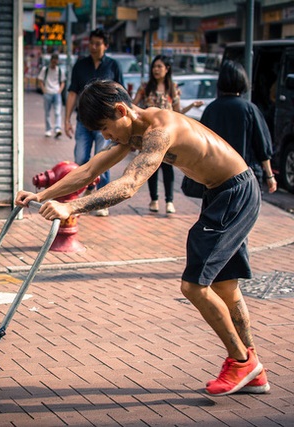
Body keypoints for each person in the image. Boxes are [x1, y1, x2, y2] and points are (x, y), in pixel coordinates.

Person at [16, 79, 266, 396]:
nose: (107, 137)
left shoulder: (160, 129)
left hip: (235, 192)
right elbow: (89, 169)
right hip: (222, 194)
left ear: (122, 110)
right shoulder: (133, 130)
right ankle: (253, 370)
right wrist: (40, 196)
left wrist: (73, 207)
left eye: (107, 130)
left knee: (193, 286)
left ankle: (241, 361)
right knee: (225, 287)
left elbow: (130, 184)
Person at [132, 55, 203, 214]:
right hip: (149, 134)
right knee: (151, 168)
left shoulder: (173, 87)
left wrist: (191, 106)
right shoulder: (145, 87)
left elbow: (177, 113)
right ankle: (154, 199)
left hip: (168, 136)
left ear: (167, 69)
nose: (156, 70)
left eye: (159, 66)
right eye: (154, 66)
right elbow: (134, 106)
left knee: (168, 167)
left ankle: (169, 201)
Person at [65, 28, 123, 217]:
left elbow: (121, 94)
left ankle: (102, 200)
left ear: (105, 45)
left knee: (103, 161)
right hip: (83, 122)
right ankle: (85, 191)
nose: (93, 47)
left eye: (98, 44)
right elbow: (73, 92)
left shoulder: (113, 66)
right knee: (81, 159)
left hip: (106, 124)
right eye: (91, 43)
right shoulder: (80, 65)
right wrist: (66, 119)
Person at [200, 60, 277, 195]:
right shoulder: (249, 109)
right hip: (245, 174)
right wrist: (270, 176)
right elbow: (262, 145)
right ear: (243, 80)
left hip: (216, 176)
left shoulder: (211, 109)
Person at [37, 53, 66, 138]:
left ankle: (57, 129)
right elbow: (40, 80)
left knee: (57, 112)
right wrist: (44, 90)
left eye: (55, 62)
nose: (54, 64)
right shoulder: (45, 70)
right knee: (47, 112)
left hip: (56, 93)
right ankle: (48, 129)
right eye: (53, 62)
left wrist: (59, 90)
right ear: (51, 61)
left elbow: (62, 82)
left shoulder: (60, 70)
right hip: (48, 93)